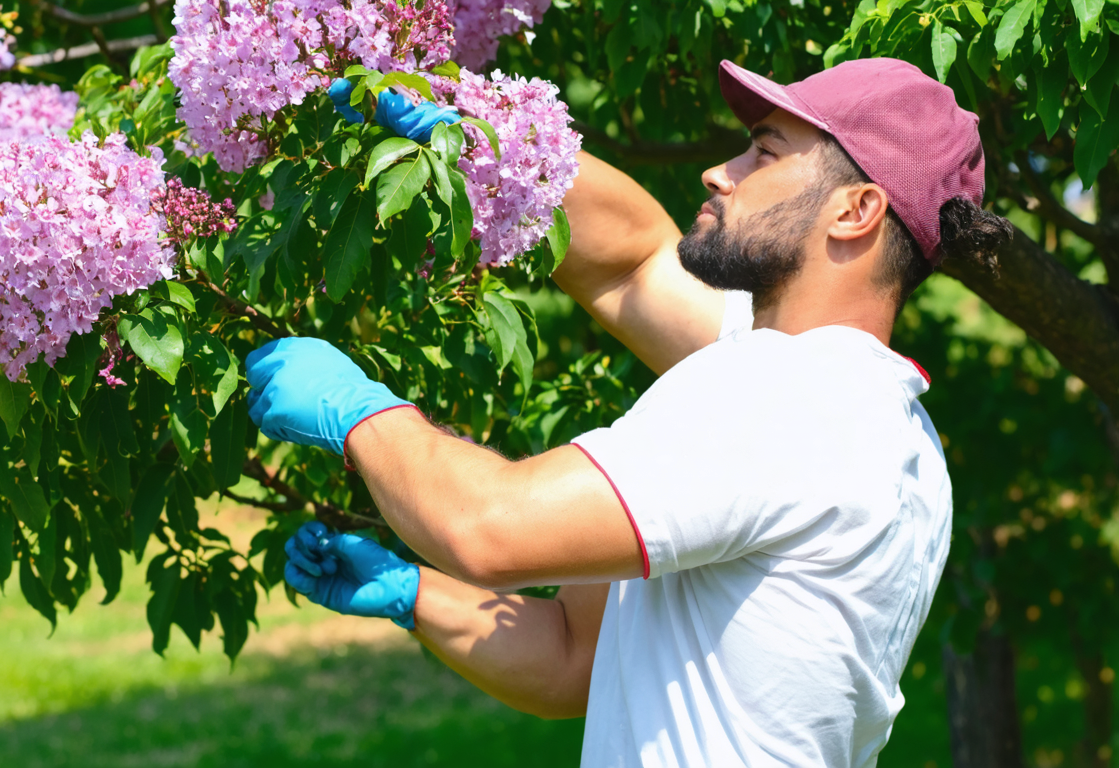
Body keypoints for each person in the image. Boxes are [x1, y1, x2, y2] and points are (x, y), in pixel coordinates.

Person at [247, 59, 1013, 766]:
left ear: (855, 210)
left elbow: (486, 526)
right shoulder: (887, 423)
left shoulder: (787, 402)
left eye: (765, 153)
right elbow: (575, 658)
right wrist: (490, 143)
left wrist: (360, 413)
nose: (720, 172)